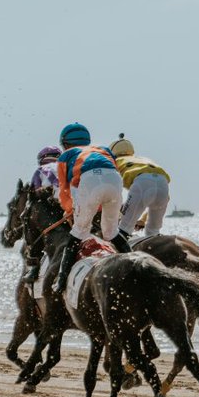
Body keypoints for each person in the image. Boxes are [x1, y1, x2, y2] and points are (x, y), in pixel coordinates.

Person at [53, 122, 130, 294]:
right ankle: (133, 261)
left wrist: (69, 210)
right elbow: (111, 175)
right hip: (115, 181)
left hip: (89, 181)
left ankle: (61, 281)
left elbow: (64, 189)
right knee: (111, 232)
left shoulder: (66, 156)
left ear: (65, 144)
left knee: (77, 233)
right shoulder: (103, 149)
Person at [109, 134, 171, 241]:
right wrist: (143, 219)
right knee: (153, 233)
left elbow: (110, 194)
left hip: (142, 183)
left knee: (123, 230)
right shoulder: (144, 159)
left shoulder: (113, 162)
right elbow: (163, 197)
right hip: (163, 185)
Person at [21, 146, 61, 283]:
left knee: (29, 220)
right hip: (71, 205)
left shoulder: (39, 171)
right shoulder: (67, 167)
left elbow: (33, 196)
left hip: (52, 207)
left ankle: (34, 266)